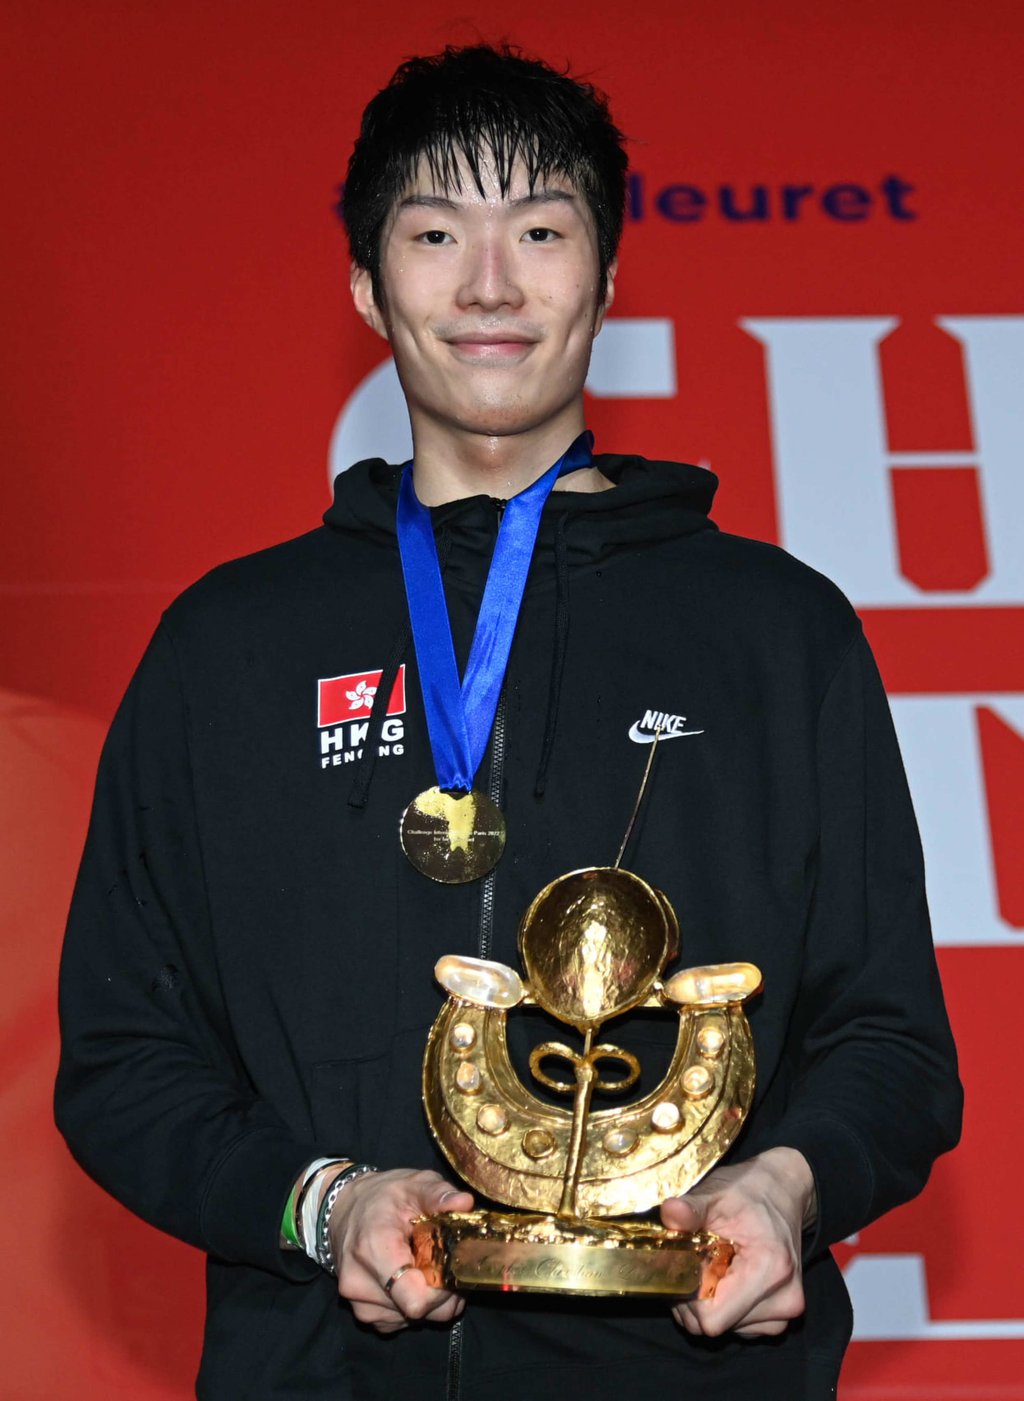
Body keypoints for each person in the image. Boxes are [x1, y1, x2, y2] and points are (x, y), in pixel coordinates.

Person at [56, 43, 962, 1401]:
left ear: (606, 279)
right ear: (367, 283)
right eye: (436, 233)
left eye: (540, 230)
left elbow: (891, 1044)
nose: (490, 283)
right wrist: (322, 1203)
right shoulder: (228, 647)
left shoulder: (781, 631)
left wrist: (787, 1183)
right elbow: (127, 1058)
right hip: (320, 1371)